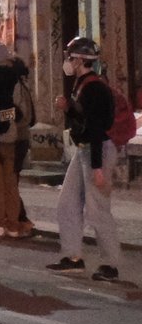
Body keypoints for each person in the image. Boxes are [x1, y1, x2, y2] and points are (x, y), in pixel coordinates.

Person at [48, 37, 123, 282]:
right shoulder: (82, 84)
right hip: (85, 149)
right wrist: (68, 108)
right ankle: (73, 257)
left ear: (80, 60)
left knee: (98, 210)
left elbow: (97, 127)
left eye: (70, 57)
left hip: (96, 150)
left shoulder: (94, 87)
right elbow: (84, 119)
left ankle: (110, 264)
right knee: (67, 202)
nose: (68, 62)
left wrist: (98, 167)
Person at [0, 41, 32, 242]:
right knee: (10, 182)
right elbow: (20, 112)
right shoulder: (16, 81)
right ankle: (12, 224)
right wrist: (5, 117)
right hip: (10, 136)